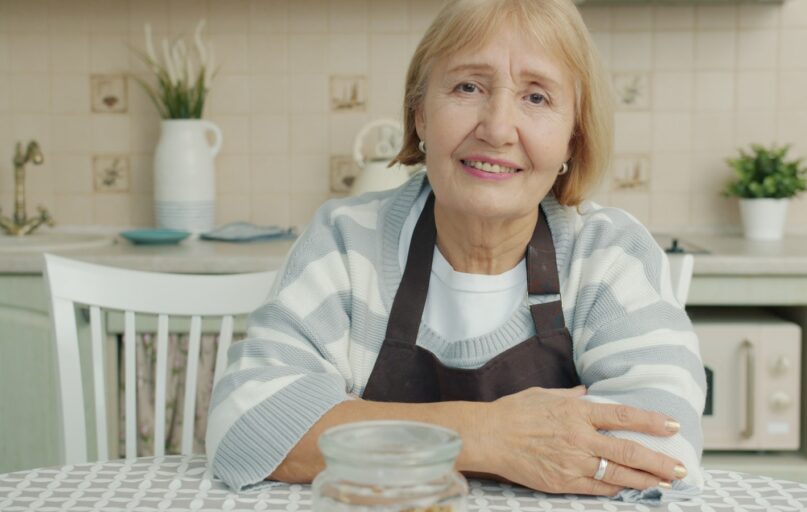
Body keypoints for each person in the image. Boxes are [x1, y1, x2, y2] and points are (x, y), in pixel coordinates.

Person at [207, 0, 706, 502]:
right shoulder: (347, 240)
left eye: (536, 97)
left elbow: (662, 446)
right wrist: (488, 434)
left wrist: (358, 425)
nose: (496, 128)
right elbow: (249, 424)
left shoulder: (608, 255)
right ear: (420, 112)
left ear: (573, 138)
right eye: (469, 87)